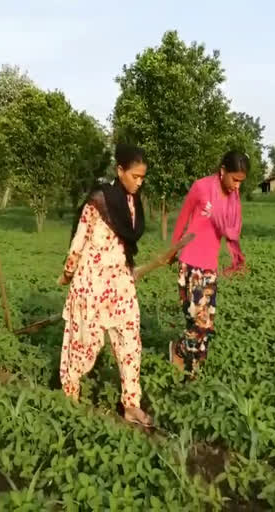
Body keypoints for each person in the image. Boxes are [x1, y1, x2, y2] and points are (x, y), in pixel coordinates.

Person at [58, 143, 153, 427]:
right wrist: (67, 271)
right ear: (119, 170)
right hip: (92, 282)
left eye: (142, 177)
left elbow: (127, 242)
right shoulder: (99, 200)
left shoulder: (133, 203)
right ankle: (70, 394)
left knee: (130, 343)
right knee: (86, 343)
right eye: (134, 176)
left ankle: (131, 404)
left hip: (121, 283)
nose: (139, 182)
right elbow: (80, 239)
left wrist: (128, 268)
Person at [169, 150, 249, 378]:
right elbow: (183, 217)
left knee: (205, 325)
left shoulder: (232, 198)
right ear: (222, 170)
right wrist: (173, 249)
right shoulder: (201, 187)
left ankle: (192, 374)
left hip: (209, 267)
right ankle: (179, 351)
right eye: (234, 179)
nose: (236, 186)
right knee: (199, 323)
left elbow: (230, 229)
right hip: (191, 262)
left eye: (241, 182)